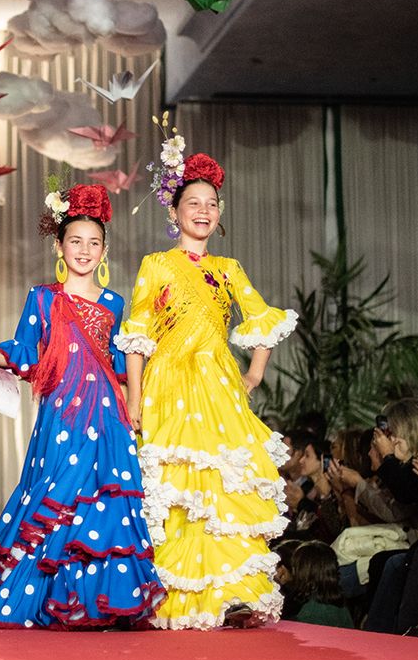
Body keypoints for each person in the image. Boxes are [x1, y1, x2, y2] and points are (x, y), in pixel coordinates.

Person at [119, 141, 297, 629]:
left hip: (218, 388)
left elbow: (263, 318)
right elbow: (136, 335)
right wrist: (134, 395)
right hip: (167, 387)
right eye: (192, 203)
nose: (203, 211)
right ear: (174, 212)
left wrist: (253, 374)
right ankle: (173, 596)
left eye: (211, 204)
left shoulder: (229, 269)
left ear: (220, 216)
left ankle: (232, 596)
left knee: (223, 489)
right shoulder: (156, 265)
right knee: (175, 491)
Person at [0, 183, 163, 628]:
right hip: (62, 414)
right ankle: (49, 601)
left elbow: (121, 361)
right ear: (60, 246)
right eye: (75, 241)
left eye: (93, 243)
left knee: (106, 501)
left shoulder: (115, 304)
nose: (84, 250)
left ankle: (99, 603)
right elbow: (27, 348)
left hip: (109, 417)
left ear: (104, 251)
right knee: (60, 494)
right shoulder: (43, 298)